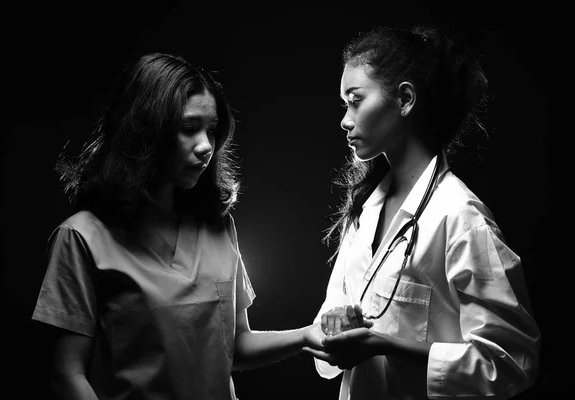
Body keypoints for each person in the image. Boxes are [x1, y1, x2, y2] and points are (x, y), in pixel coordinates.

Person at [31, 52, 326, 400]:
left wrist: (308, 335)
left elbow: (235, 347)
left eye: (212, 130)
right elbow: (68, 375)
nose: (205, 146)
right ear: (145, 131)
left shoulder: (219, 227)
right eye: (189, 129)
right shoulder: (82, 238)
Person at [302, 24, 541, 399]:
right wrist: (336, 323)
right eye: (344, 104)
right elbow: (331, 318)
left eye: (356, 99)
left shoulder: (462, 219)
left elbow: (511, 362)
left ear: (405, 99)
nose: (345, 120)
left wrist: (386, 345)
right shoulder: (366, 209)